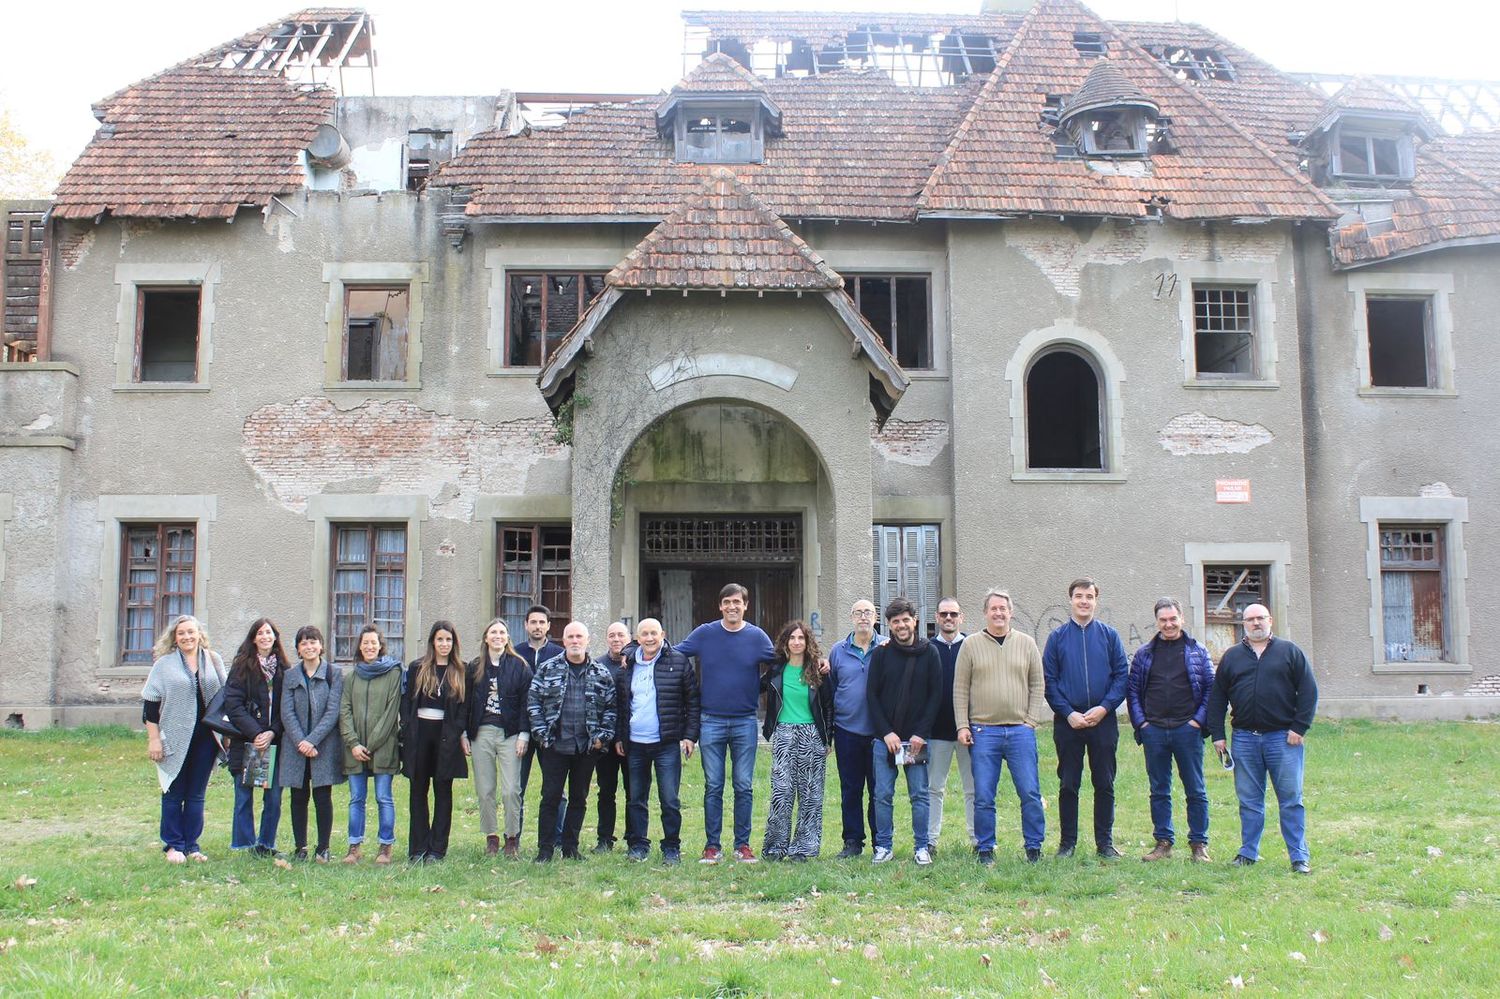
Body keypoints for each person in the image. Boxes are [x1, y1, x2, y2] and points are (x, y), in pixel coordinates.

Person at [1207, 604, 1318, 874]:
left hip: (1283, 739)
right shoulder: (1232, 657)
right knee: (1249, 801)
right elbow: (1218, 698)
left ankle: (1298, 856)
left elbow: (1308, 692)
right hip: (1244, 739)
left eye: (1260, 618)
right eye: (1250, 619)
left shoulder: (1289, 651)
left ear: (1270, 620)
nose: (1255, 623)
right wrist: (1218, 736)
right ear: (1243, 624)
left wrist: (1299, 728)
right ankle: (1248, 853)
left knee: (1291, 799)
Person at [676, 583, 776, 864]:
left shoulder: (757, 637)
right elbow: (675, 653)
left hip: (745, 721)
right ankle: (712, 846)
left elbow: (780, 662)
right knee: (714, 785)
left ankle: (742, 846)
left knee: (743, 785)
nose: (732, 607)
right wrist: (636, 649)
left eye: (738, 602)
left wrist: (759, 686)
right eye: (727, 602)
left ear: (746, 605)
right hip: (711, 720)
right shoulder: (706, 634)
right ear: (720, 606)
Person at [955, 589, 1047, 865]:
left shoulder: (1027, 643)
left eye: (1003, 609)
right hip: (984, 731)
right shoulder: (970, 645)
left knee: (1029, 791)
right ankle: (985, 847)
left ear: (1011, 612)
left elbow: (1037, 684)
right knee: (984, 793)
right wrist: (962, 725)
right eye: (993, 608)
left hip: (1020, 731)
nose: (998, 613)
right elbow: (960, 689)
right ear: (985, 613)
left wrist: (1030, 720)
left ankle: (1034, 847)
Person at [1042, 577, 1129, 859]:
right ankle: (1067, 844)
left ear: (1095, 601)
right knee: (1069, 784)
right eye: (1079, 596)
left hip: (1103, 721)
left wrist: (1104, 708)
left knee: (1104, 782)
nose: (1084, 601)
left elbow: (1121, 676)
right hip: (1068, 723)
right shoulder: (1056, 638)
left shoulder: (1109, 636)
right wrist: (1068, 713)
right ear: (1071, 600)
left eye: (1089, 596)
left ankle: (1104, 843)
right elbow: (1049, 681)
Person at [1127, 598, 1215, 863]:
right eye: (1163, 620)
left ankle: (1199, 844)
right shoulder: (1144, 653)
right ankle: (1163, 842)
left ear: (1181, 619)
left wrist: (1197, 722)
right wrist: (1142, 723)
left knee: (1195, 789)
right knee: (1159, 789)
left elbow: (1211, 688)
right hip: (1154, 730)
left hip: (1187, 730)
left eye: (1172, 619)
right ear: (1157, 622)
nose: (1168, 624)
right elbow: (1132, 691)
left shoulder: (1198, 651)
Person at [527, 621, 616, 862]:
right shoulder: (547, 669)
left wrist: (601, 739)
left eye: (579, 637)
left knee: (579, 798)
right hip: (555, 746)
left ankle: (570, 847)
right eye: (570, 637)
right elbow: (533, 702)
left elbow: (610, 709)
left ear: (587, 640)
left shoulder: (601, 673)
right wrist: (542, 735)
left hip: (586, 748)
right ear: (563, 641)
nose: (575, 641)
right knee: (550, 798)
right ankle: (545, 850)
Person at [614, 617, 699, 865]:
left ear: (663, 634)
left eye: (654, 633)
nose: (650, 638)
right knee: (636, 798)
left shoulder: (678, 661)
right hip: (636, 744)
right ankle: (639, 845)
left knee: (669, 798)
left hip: (667, 743)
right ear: (637, 638)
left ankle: (671, 847)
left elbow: (692, 702)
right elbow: (622, 705)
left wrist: (690, 736)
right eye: (645, 634)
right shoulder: (628, 664)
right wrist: (620, 736)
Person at [142, 614, 225, 864]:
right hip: (175, 737)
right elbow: (150, 706)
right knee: (173, 792)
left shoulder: (213, 660)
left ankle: (191, 845)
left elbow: (225, 697)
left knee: (197, 794)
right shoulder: (164, 665)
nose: (187, 637)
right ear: (174, 638)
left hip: (206, 738)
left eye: (191, 632)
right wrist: (153, 739)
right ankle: (173, 845)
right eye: (181, 634)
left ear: (199, 634)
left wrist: (227, 735)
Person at [865, 597, 942, 865]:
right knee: (883, 795)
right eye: (895, 621)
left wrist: (921, 733)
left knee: (919, 794)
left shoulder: (929, 652)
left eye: (905, 620)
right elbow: (871, 696)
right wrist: (886, 732)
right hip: (885, 740)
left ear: (915, 621)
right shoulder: (881, 653)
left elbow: (935, 696)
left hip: (916, 740)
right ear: (888, 625)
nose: (901, 625)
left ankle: (921, 847)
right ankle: (884, 846)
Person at [400, 620, 475, 863]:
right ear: (433, 641)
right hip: (420, 735)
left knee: (443, 792)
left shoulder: (462, 670)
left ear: (454, 643)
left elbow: (465, 708)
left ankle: (437, 849)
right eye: (440, 639)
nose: (444, 644)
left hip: (447, 737)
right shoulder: (418, 668)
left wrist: (457, 733)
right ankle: (418, 848)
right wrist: (408, 729)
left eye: (448, 640)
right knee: (418, 792)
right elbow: (408, 703)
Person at [761, 620, 834, 861]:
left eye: (801, 638)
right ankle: (775, 847)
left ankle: (804, 848)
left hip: (812, 735)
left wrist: (828, 738)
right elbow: (753, 686)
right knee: (781, 792)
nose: (796, 642)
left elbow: (827, 706)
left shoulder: (818, 670)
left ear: (807, 642)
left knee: (810, 793)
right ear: (785, 642)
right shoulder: (776, 671)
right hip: (783, 734)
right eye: (792, 638)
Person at [279, 625, 346, 862]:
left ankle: (324, 847)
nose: (309, 647)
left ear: (321, 645)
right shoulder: (290, 676)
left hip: (323, 746)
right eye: (303, 643)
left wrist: (313, 740)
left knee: (322, 796)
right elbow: (286, 713)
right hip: (296, 746)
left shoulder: (334, 674)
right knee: (298, 797)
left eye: (313, 642)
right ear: (298, 649)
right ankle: (301, 847)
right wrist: (301, 742)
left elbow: (333, 711)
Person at [827, 599, 886, 859]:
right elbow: (832, 689)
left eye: (868, 612)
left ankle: (880, 841)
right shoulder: (838, 650)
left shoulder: (886, 647)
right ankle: (852, 841)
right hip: (846, 730)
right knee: (850, 789)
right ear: (851, 617)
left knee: (879, 790)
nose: (863, 617)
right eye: (858, 612)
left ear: (876, 617)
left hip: (879, 732)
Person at [339, 624, 403, 865]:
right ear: (359, 646)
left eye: (373, 642)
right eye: (365, 642)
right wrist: (354, 743)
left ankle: (385, 847)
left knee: (383, 797)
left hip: (383, 747)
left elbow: (391, 712)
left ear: (380, 645)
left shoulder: (393, 673)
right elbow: (344, 711)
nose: (369, 646)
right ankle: (354, 846)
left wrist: (372, 743)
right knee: (356, 798)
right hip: (354, 750)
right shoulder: (352, 676)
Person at [223, 618, 287, 857]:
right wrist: (257, 733)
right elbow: (233, 705)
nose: (264, 637)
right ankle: (244, 843)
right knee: (244, 794)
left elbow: (286, 709)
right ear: (253, 638)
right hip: (248, 741)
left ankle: (266, 844)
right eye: (260, 633)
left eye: (268, 632)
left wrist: (272, 732)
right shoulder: (242, 666)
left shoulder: (283, 669)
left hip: (274, 742)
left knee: (273, 798)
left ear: (275, 637)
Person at [469, 617, 532, 858]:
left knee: (511, 790)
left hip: (511, 733)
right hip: (481, 732)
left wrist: (524, 735)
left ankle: (512, 838)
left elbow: (528, 702)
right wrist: (466, 734)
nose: (498, 636)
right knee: (485, 790)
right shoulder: (475, 667)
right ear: (486, 638)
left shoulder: (520, 665)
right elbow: (467, 703)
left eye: (502, 632)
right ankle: (491, 837)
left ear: (508, 638)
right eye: (493, 632)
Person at [927, 596, 976, 856]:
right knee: (934, 788)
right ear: (936, 617)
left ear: (961, 617)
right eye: (944, 614)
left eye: (953, 614)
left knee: (973, 789)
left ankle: (977, 840)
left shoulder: (972, 646)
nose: (949, 619)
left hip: (968, 730)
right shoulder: (926, 648)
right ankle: (931, 840)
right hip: (936, 732)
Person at [591, 621, 632, 852]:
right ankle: (604, 839)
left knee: (632, 792)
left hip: (630, 740)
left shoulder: (636, 663)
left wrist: (623, 737)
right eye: (612, 635)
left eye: (620, 635)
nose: (616, 639)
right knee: (606, 791)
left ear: (629, 637)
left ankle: (632, 838)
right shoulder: (598, 665)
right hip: (605, 741)